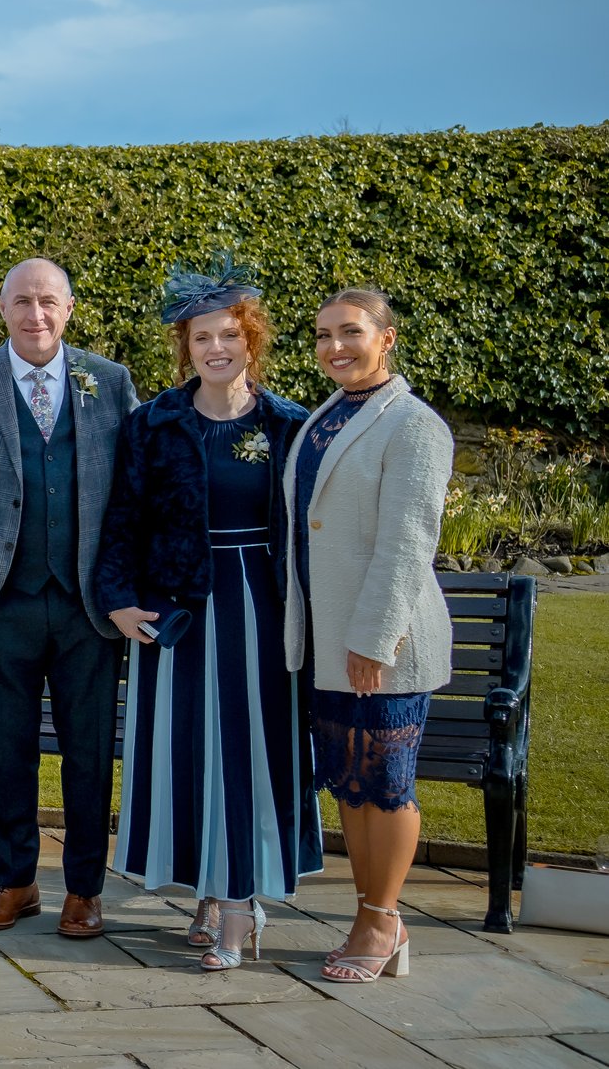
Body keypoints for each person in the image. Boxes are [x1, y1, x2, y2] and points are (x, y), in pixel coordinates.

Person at [95, 258, 319, 971]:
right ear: (184, 347)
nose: (215, 348)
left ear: (251, 339)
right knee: (188, 750)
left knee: (248, 753)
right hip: (179, 609)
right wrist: (118, 599)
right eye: (201, 338)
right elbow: (122, 519)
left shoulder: (289, 425)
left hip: (261, 610)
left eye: (229, 335)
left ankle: (238, 903)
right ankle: (206, 886)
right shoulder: (153, 423)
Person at [0, 259, 138, 939]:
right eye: (22, 301)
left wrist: (123, 585)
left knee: (89, 752)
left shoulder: (110, 381)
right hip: (0, 600)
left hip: (88, 604)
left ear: (69, 308)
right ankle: (15, 881)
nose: (36, 314)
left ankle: (84, 889)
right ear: (1, 308)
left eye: (48, 301)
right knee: (5, 749)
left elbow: (131, 493)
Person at [287, 288, 452, 984]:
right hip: (328, 642)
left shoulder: (414, 425)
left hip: (383, 643)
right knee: (350, 784)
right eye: (324, 335)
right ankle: (371, 912)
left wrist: (374, 640)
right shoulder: (326, 417)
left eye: (351, 332)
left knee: (386, 784)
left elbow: (407, 544)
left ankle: (382, 920)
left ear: (386, 338)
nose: (335, 347)